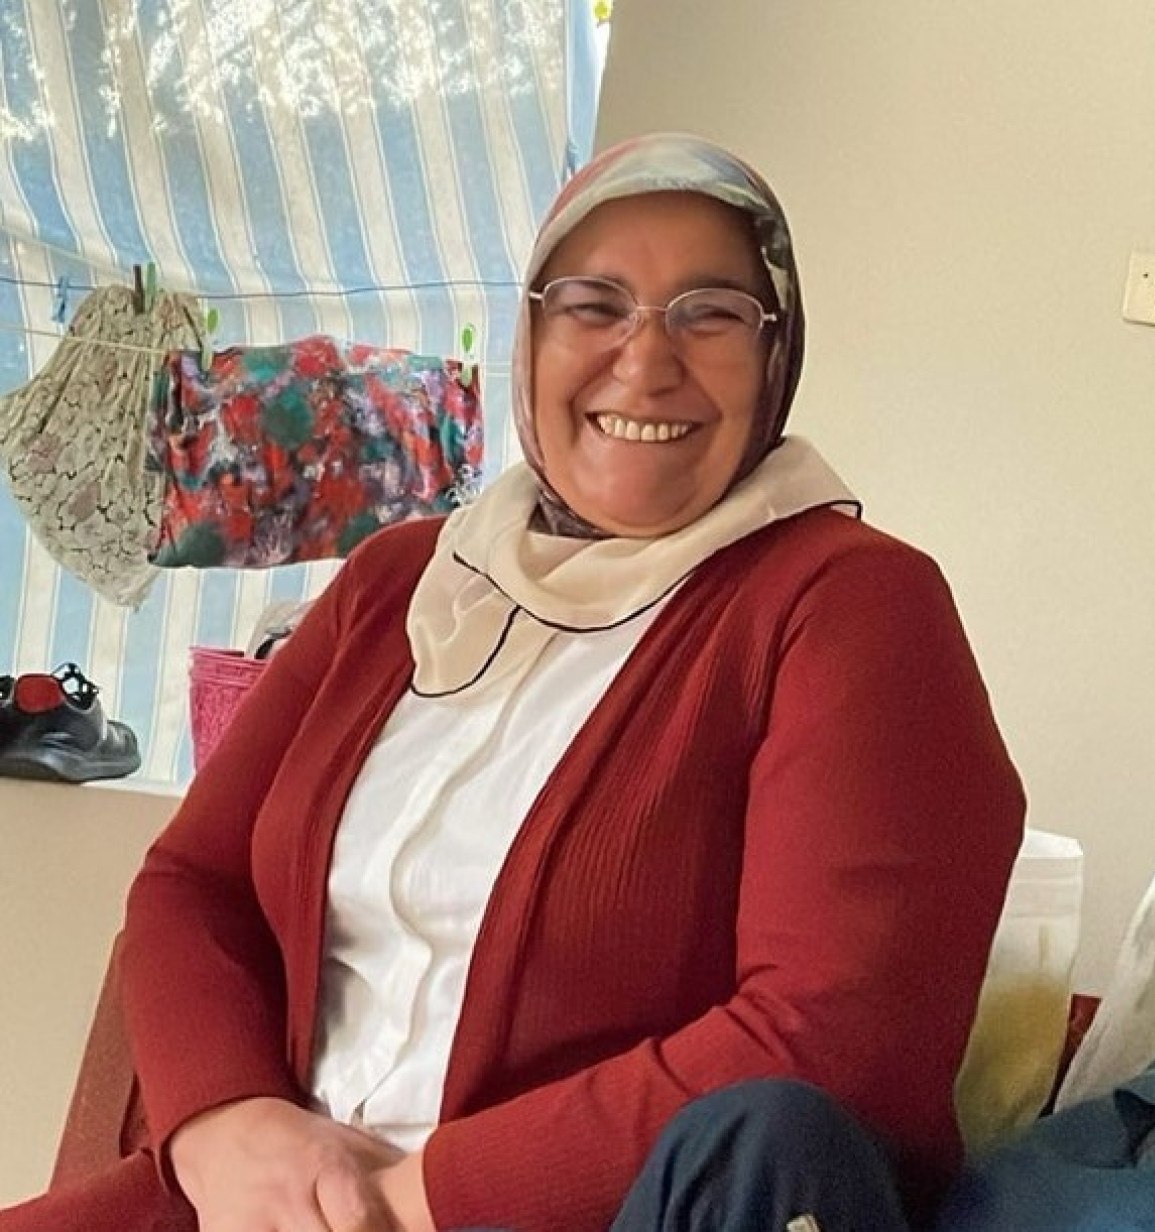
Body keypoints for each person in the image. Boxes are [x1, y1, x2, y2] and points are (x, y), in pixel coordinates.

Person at [1, 132, 1025, 1232]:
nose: (646, 360)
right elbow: (195, 881)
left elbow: (835, 1036)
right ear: (531, 333)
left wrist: (409, 1199)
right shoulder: (402, 579)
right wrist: (228, 1125)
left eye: (712, 313)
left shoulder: (847, 605)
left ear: (777, 353)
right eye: (594, 304)